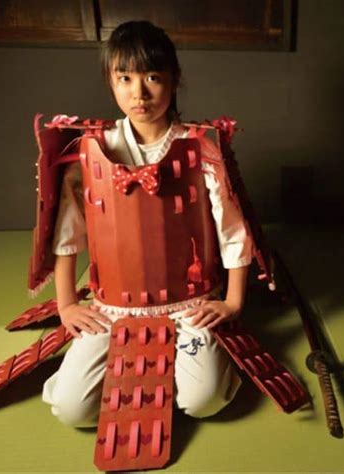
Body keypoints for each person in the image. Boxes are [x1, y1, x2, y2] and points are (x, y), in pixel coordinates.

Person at [42, 20, 253, 428]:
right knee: (73, 411)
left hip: (189, 302)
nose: (139, 93)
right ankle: (147, 371)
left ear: (175, 79)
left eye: (153, 77)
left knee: (205, 401)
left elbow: (233, 233)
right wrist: (66, 304)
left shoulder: (200, 148)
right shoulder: (91, 149)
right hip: (113, 305)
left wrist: (232, 302)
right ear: (111, 82)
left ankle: (184, 366)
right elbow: (67, 234)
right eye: (125, 78)